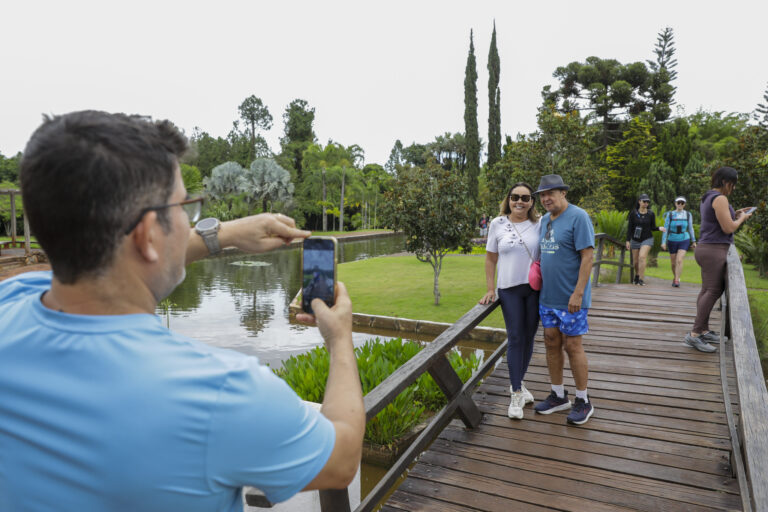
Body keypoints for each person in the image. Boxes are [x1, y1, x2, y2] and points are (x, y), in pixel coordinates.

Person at [0, 111, 365, 511]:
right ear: (147, 235)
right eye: (183, 207)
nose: (189, 221)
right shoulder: (220, 393)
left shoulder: (10, 303)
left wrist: (224, 235)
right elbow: (342, 459)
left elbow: (95, 263)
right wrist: (339, 338)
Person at [532, 174, 595, 425]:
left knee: (572, 345)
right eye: (542, 195)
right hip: (548, 297)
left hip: (572, 298)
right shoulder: (545, 220)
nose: (546, 198)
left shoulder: (578, 216)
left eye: (551, 193)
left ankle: (583, 400)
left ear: (563, 193)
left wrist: (578, 292)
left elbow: (587, 257)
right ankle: (558, 395)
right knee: (551, 342)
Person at [479, 183, 540, 420]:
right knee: (515, 337)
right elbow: (490, 259)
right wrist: (490, 288)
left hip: (534, 289)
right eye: (515, 197)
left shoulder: (540, 223)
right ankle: (515, 393)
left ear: (531, 201)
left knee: (529, 337)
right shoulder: (497, 223)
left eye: (525, 198)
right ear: (509, 199)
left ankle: (520, 384)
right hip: (509, 289)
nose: (520, 202)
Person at [684, 167, 754, 353]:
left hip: (706, 248)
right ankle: (695, 334)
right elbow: (728, 228)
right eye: (733, 184)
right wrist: (742, 219)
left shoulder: (708, 196)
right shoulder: (721, 198)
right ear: (725, 182)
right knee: (713, 290)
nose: (733, 188)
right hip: (714, 249)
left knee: (707, 290)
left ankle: (703, 330)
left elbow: (717, 220)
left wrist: (736, 213)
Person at [625, 193, 666, 286]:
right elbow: (630, 228)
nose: (646, 203)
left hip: (647, 238)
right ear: (639, 201)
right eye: (644, 201)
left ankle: (641, 279)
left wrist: (659, 228)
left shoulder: (651, 214)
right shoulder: (633, 214)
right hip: (635, 239)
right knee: (635, 262)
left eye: (647, 202)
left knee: (642, 257)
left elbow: (652, 227)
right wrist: (628, 240)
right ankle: (637, 275)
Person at [661, 196, 697, 287]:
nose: (680, 204)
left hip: (684, 238)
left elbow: (690, 228)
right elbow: (665, 228)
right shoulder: (670, 214)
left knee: (679, 260)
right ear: (675, 204)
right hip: (672, 239)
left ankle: (677, 280)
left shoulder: (688, 214)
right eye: (678, 203)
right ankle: (675, 277)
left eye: (682, 203)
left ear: (684, 204)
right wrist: (663, 242)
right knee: (673, 263)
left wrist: (693, 241)